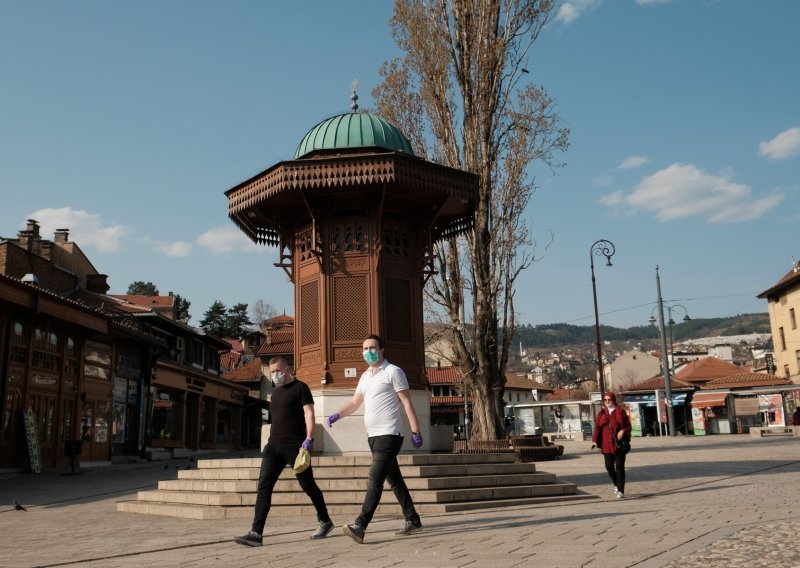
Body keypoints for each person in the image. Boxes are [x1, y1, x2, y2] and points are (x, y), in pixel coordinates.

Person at [326, 334, 423, 544]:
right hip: (373, 437)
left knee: (375, 480)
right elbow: (354, 403)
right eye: (365, 348)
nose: (368, 351)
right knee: (394, 480)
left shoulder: (393, 371)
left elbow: (406, 402)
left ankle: (360, 525)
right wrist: (337, 414)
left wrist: (416, 431)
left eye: (372, 347)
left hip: (389, 434)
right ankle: (412, 518)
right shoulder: (365, 376)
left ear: (381, 350)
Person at [234, 355, 333, 547]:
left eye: (279, 370)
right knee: (264, 487)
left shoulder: (300, 388)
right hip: (273, 446)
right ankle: (256, 533)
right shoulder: (276, 392)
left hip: (295, 446)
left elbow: (309, 413)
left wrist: (309, 438)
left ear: (287, 369)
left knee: (308, 485)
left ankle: (325, 520)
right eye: (273, 372)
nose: (276, 374)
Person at [591, 391, 632, 499]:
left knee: (619, 467)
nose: (607, 402)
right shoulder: (602, 413)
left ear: (613, 400)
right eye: (605, 400)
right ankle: (616, 483)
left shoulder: (620, 412)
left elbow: (628, 426)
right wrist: (594, 440)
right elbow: (597, 428)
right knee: (608, 466)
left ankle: (621, 490)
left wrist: (622, 431)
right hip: (607, 445)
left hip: (619, 445)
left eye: (609, 399)